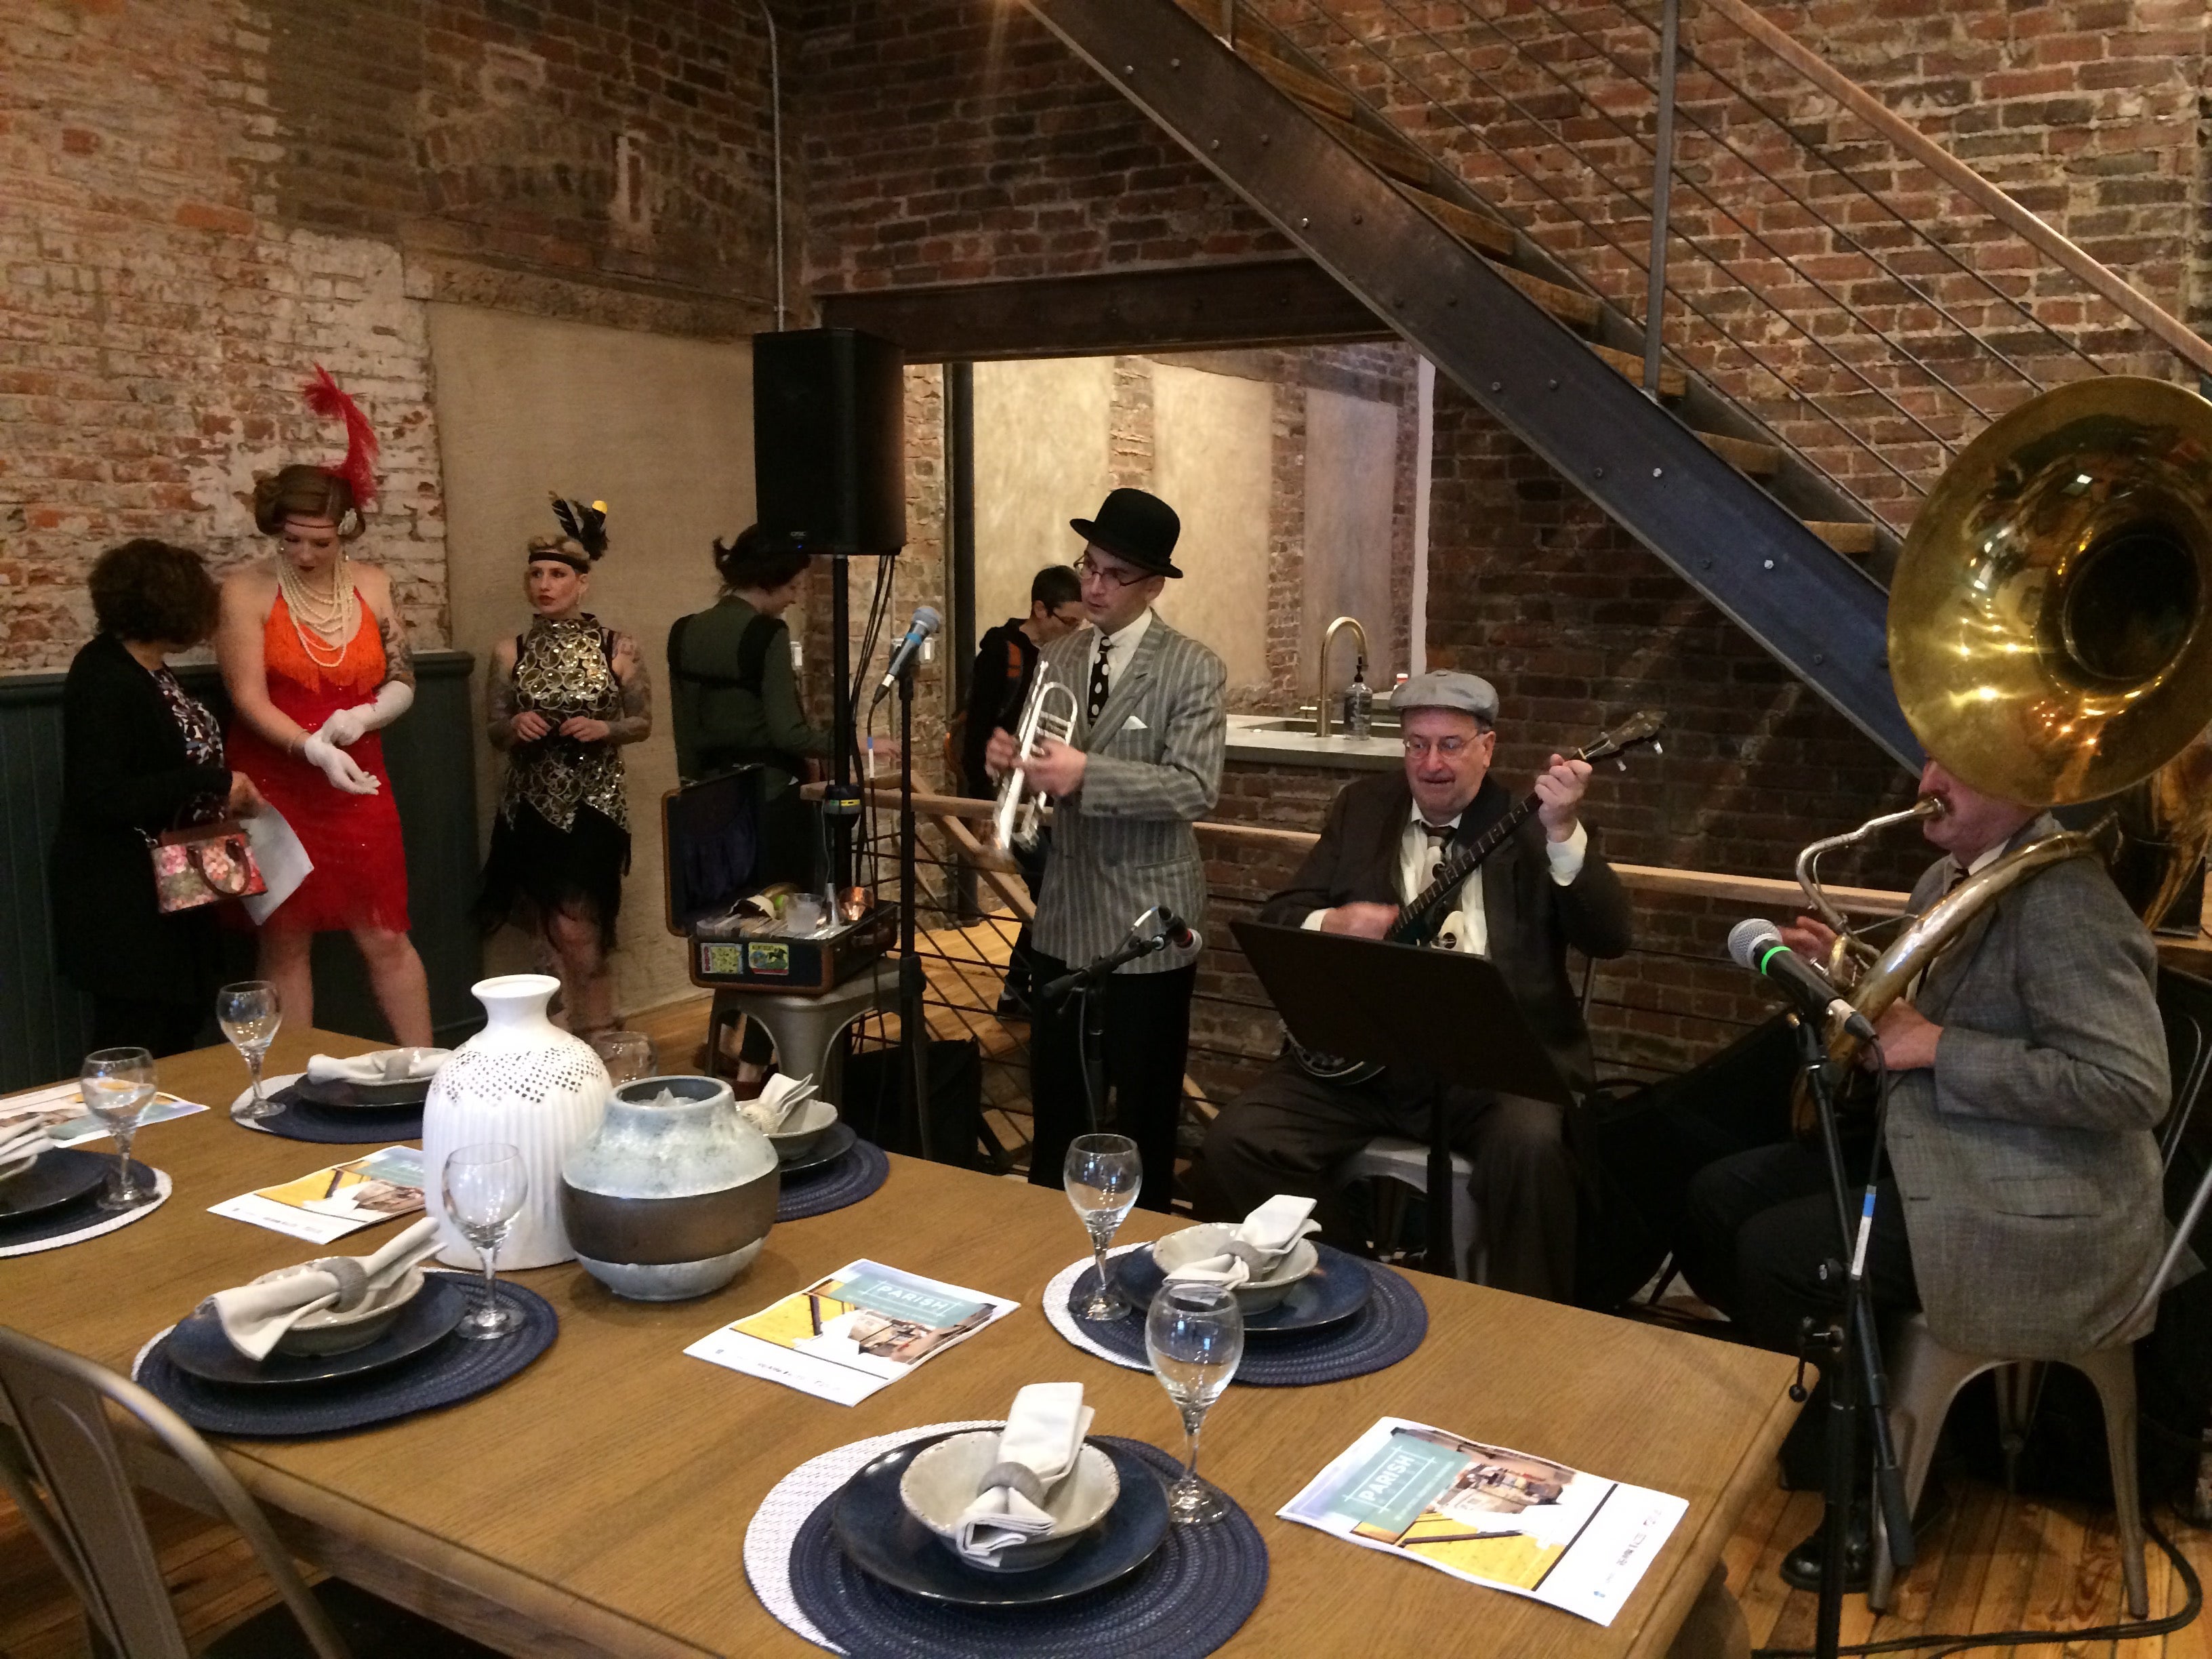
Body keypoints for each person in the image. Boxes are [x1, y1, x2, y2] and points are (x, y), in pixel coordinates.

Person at [1678, 757, 2171, 1589]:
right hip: (1948, 1150)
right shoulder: (1949, 876)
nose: (1927, 778)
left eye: (1962, 765)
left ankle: (1891, 1490)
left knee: (1782, 1256)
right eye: (1930, 755)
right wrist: (1843, 974)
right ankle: (1825, 1443)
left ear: (2027, 788)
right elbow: (1929, 1011)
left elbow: (2130, 1085)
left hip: (2042, 1206)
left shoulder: (2066, 901)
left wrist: (1940, 1048)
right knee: (1714, 1201)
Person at [1193, 671, 1633, 1300]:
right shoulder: (1363, 807)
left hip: (1496, 1069)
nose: (1430, 763)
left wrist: (1564, 833)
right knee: (1238, 1143)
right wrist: (1337, 923)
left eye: (1450, 745)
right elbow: (1283, 914)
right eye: (1415, 745)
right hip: (1367, 1061)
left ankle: (1528, 1330)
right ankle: (1359, 1289)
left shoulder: (1533, 820)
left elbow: (1610, 937)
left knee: (1532, 1153)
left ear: (1488, 746)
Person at [985, 487, 1227, 1213]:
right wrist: (1015, 760)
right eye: (1088, 565)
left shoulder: (1192, 667)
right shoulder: (1054, 656)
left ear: (1152, 585)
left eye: (1114, 574)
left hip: (1148, 919)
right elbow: (1044, 763)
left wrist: (1087, 773)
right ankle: (1041, 1246)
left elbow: (1194, 788)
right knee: (1056, 1102)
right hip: (1065, 909)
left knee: (1144, 1109)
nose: (1092, 584)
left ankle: (1145, 1249)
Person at [216, 371, 431, 1047]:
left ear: (346, 532)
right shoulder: (244, 591)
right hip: (276, 776)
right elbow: (247, 698)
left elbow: (402, 673)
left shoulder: (372, 585)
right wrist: (310, 746)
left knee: (385, 931)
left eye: (321, 542)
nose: (306, 555)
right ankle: (280, 1088)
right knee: (285, 939)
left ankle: (431, 1071)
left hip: (359, 772)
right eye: (292, 542)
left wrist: (368, 716)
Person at [50, 540, 266, 1055]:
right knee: (136, 1032)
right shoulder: (104, 676)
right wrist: (214, 782)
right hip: (122, 890)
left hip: (177, 875)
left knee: (178, 1025)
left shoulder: (151, 671)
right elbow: (101, 795)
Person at [476, 499, 651, 1038]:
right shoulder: (510, 651)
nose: (544, 585)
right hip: (529, 801)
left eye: (557, 574)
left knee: (581, 922)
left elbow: (642, 721)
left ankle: (601, 1028)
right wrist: (516, 727)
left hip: (594, 801)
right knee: (545, 926)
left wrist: (605, 728)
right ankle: (558, 1034)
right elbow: (494, 729)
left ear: (582, 582)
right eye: (535, 575)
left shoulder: (617, 648)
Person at [960, 563, 1086, 1015]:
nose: (1076, 629)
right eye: (1069, 621)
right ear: (1040, 609)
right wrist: (979, 801)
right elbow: (978, 728)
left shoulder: (1065, 654)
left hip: (1046, 795)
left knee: (1053, 888)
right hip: (1003, 795)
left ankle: (1017, 990)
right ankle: (1019, 990)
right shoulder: (1002, 651)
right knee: (1051, 888)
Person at [667, 527, 827, 790]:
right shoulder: (767, 633)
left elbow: (683, 728)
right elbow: (789, 734)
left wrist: (690, 786)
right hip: (767, 788)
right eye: (792, 587)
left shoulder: (683, 630)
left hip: (710, 787)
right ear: (770, 579)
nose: (794, 599)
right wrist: (850, 744)